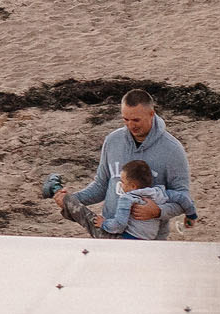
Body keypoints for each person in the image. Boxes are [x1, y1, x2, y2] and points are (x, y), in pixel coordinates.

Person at [58, 90, 197, 238]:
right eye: (126, 119)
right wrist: (71, 200)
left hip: (149, 241)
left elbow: (182, 197)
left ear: (151, 114)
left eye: (136, 120)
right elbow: (101, 186)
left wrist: (158, 211)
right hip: (109, 232)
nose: (131, 125)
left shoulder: (172, 150)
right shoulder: (112, 141)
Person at [102, 158, 169, 240]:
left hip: (128, 238)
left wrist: (103, 223)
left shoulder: (127, 198)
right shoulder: (158, 192)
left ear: (133, 186)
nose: (120, 184)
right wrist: (189, 214)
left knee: (90, 220)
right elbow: (181, 197)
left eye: (122, 182)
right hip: (149, 239)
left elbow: (119, 225)